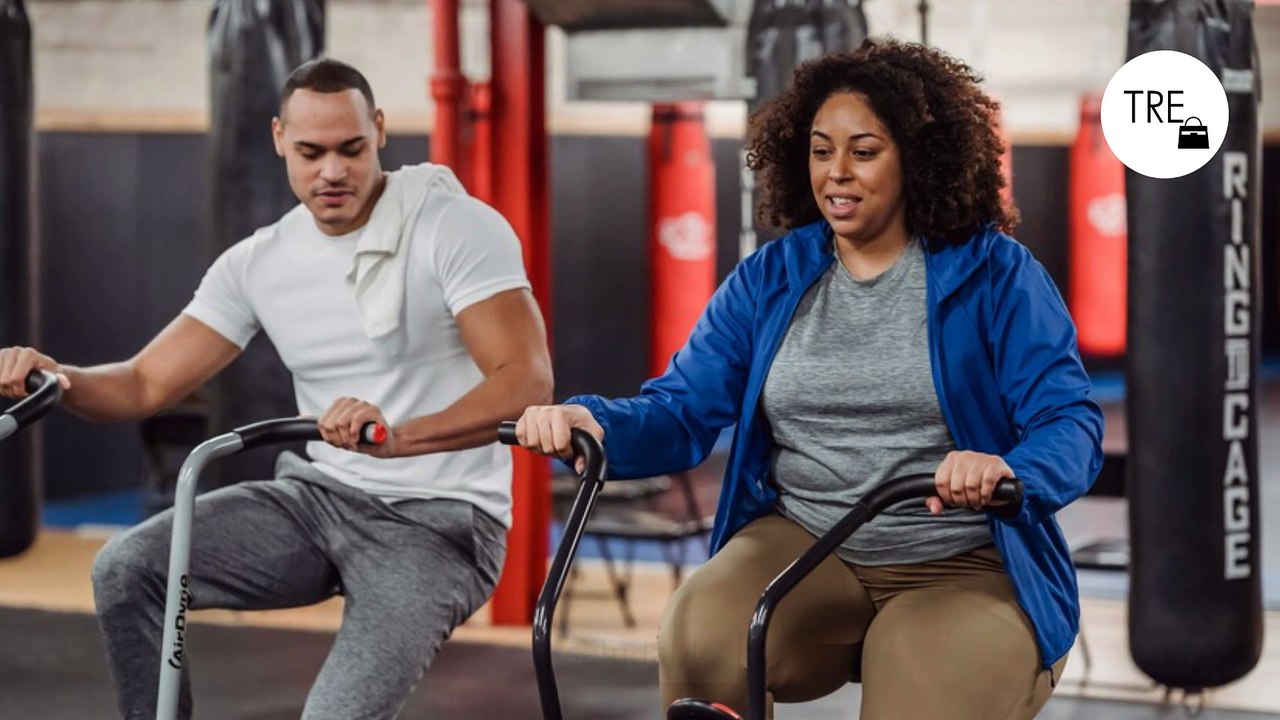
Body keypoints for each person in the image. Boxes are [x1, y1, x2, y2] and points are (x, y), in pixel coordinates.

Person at [513, 38, 1102, 720]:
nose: (837, 173)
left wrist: (1009, 469)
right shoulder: (771, 278)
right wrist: (596, 422)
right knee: (702, 639)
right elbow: (681, 411)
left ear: (917, 156)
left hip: (968, 560)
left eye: (865, 150)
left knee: (921, 691)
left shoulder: (997, 275)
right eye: (822, 151)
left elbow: (1071, 423)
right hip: (809, 539)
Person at [0, 58, 552, 719]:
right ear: (278, 140)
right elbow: (143, 382)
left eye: (350, 148)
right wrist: (56, 377)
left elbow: (525, 380)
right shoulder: (259, 263)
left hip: (440, 521)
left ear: (378, 131)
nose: (332, 172)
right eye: (311, 152)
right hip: (317, 500)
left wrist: (399, 438)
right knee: (127, 568)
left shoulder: (453, 227)